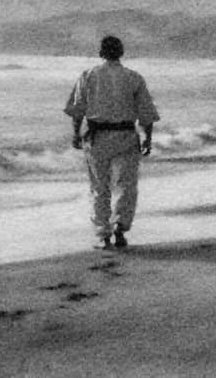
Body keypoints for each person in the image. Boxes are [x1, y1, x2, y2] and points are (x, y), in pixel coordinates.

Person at [64, 35, 159, 250]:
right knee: (127, 185)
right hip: (126, 135)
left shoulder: (88, 76)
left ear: (101, 53)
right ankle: (120, 228)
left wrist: (75, 134)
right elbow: (146, 114)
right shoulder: (134, 77)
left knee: (99, 187)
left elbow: (77, 110)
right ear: (121, 52)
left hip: (97, 137)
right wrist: (148, 138)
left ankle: (103, 235)